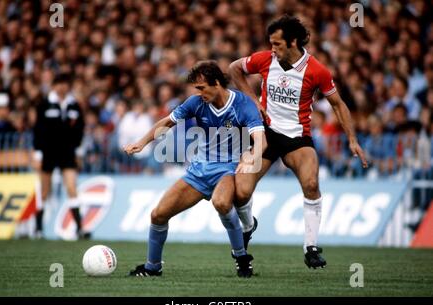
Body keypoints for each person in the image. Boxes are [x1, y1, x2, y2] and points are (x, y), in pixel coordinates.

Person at [228, 15, 368, 269]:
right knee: (241, 191)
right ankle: (248, 226)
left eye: (277, 44)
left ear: (293, 42)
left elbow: (338, 104)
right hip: (266, 135)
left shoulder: (317, 70)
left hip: (297, 138)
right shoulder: (265, 60)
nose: (272, 49)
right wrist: (252, 100)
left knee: (312, 183)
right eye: (271, 43)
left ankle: (311, 247)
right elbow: (233, 68)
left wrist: (352, 139)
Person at [123, 61, 266, 277]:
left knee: (221, 202)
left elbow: (261, 140)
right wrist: (142, 142)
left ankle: (241, 257)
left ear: (216, 83)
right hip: (198, 171)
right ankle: (153, 267)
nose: (199, 93)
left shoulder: (242, 104)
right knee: (158, 215)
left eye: (201, 88)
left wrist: (251, 157)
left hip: (227, 169)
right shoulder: (196, 103)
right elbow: (167, 122)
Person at [32, 73, 90, 239]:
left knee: (72, 187)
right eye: (59, 83)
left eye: (65, 83)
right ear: (54, 86)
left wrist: (78, 152)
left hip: (68, 152)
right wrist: (37, 153)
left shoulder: (74, 106)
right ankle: (38, 229)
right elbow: (38, 130)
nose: (62, 87)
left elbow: (80, 131)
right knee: (44, 191)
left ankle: (79, 228)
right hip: (48, 152)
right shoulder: (44, 105)